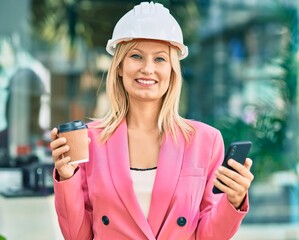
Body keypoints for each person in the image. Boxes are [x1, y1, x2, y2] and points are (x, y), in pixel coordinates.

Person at [50, 2, 254, 239]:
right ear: (119, 66)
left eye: (159, 59)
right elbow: (77, 236)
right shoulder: (89, 141)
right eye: (136, 56)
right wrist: (67, 178)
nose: (148, 69)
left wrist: (234, 200)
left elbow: (209, 236)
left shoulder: (205, 141)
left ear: (172, 70)